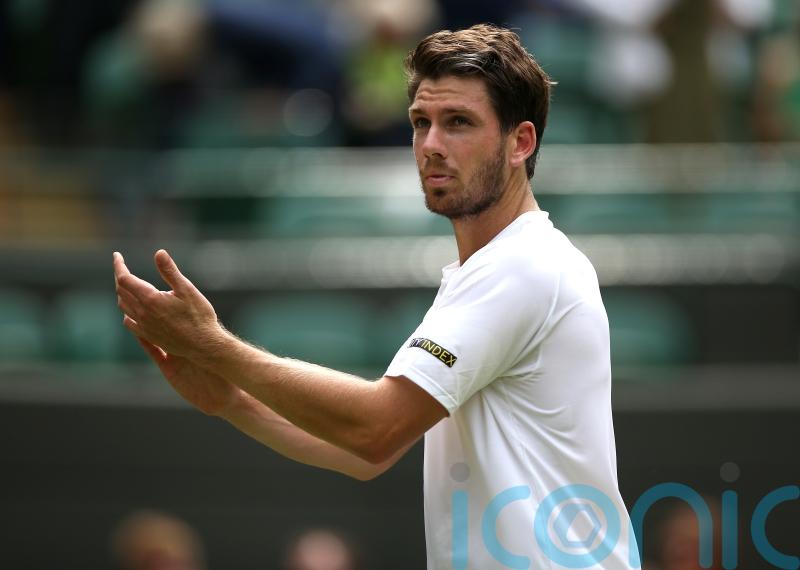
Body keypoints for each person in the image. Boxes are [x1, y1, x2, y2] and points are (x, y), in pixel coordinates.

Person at [113, 24, 637, 569]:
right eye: (420, 123)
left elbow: (373, 428)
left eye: (458, 122)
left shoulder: (522, 266)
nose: (431, 144)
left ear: (520, 143)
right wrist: (232, 401)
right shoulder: (495, 269)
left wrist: (217, 347)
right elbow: (369, 454)